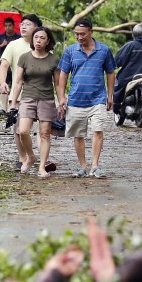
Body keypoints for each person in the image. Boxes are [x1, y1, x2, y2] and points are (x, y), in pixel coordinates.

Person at [57, 18, 116, 179]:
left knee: (97, 131)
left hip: (98, 98)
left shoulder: (104, 50)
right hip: (76, 99)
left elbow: (111, 73)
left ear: (91, 32)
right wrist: (61, 97)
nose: (79, 37)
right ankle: (83, 166)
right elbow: (63, 74)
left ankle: (95, 166)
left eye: (82, 34)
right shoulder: (70, 51)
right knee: (78, 134)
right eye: (76, 34)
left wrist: (110, 95)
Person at [8, 26, 62, 178]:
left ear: (48, 41)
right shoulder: (24, 57)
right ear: (32, 40)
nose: (38, 40)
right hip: (27, 98)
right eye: (36, 37)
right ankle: (30, 157)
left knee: (44, 134)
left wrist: (61, 101)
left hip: (46, 99)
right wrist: (13, 103)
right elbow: (18, 82)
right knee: (22, 130)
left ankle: (42, 167)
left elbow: (57, 84)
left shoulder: (54, 59)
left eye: (42, 38)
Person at [0, 14, 42, 170]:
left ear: (36, 27)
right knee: (18, 129)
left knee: (41, 129)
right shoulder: (13, 45)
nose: (23, 27)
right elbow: (4, 65)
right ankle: (22, 157)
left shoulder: (42, 44)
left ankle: (43, 159)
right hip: (17, 95)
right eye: (22, 24)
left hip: (39, 94)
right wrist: (3, 82)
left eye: (27, 24)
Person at [0, 17, 21, 112]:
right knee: (4, 86)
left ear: (13, 26)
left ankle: (13, 106)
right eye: (6, 26)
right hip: (5, 66)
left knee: (16, 86)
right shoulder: (0, 36)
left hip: (16, 66)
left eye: (10, 25)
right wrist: (2, 45)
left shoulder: (19, 37)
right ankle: (4, 108)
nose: (8, 27)